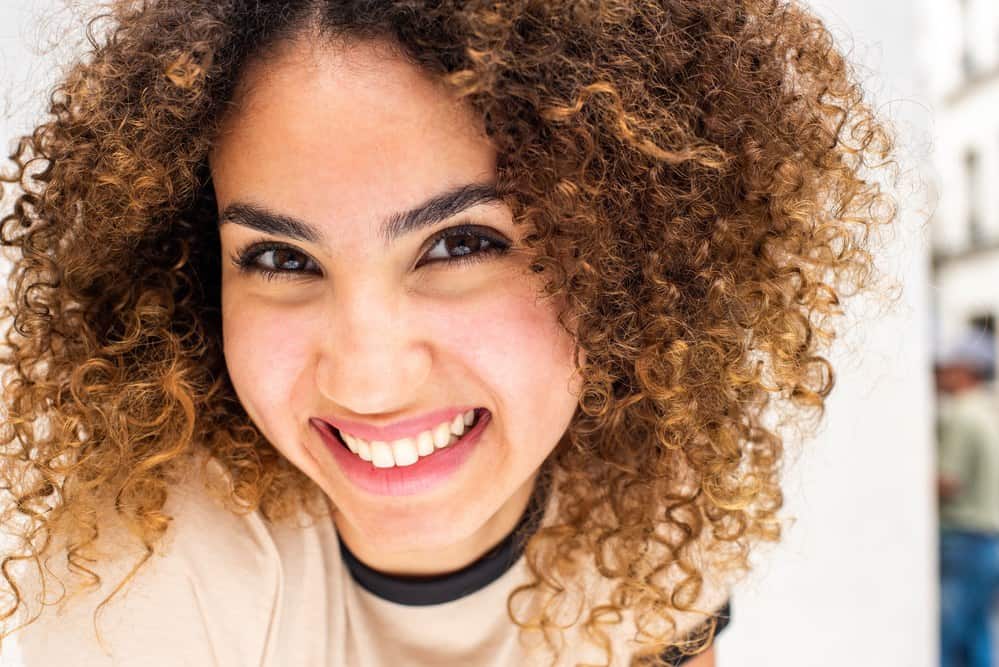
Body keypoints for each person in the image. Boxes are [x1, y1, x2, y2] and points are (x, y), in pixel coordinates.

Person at [0, 1, 895, 665]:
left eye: (461, 243)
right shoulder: (144, 573)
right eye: (277, 257)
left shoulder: (654, 509)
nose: (368, 377)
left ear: (625, 258)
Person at [936, 332, 999, 667]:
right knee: (977, 636)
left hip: (965, 539)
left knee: (948, 638)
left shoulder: (962, 415)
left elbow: (949, 481)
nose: (943, 374)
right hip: (988, 541)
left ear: (966, 370)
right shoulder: (989, 411)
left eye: (949, 367)